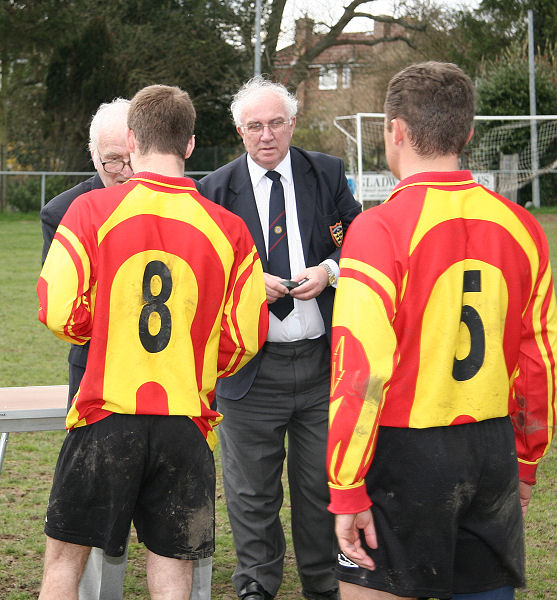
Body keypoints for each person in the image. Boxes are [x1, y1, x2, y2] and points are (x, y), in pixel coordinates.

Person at [326, 61, 557, 600]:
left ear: (396, 131)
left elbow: (360, 369)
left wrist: (346, 487)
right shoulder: (521, 226)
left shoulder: (379, 227)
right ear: (468, 134)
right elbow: (540, 358)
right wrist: (525, 457)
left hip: (403, 449)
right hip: (491, 445)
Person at [37, 84, 268, 600]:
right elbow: (245, 337)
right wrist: (198, 362)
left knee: (62, 564)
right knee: (172, 570)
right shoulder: (230, 229)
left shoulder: (90, 211)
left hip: (105, 412)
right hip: (185, 419)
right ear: (190, 145)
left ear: (134, 140)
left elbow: (59, 312)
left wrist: (107, 337)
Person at [198, 76, 361, 600]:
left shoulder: (328, 173)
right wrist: (245, 285)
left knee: (319, 488)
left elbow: (361, 239)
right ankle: (256, 585)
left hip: (320, 366)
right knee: (251, 494)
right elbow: (201, 272)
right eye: (254, 126)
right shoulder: (213, 190)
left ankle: (323, 584)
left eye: (275, 123)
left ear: (292, 124)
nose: (265, 135)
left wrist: (331, 270)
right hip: (249, 368)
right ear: (238, 131)